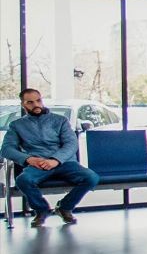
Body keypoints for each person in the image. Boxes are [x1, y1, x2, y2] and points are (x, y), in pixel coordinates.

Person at [0, 89, 101, 227]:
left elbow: (71, 144)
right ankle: (41, 210)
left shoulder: (60, 121)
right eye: (30, 102)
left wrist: (55, 160)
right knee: (23, 180)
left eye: (38, 100)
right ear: (23, 105)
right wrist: (29, 159)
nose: (36, 105)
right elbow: (6, 149)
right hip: (38, 164)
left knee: (91, 177)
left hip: (64, 163)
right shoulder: (17, 125)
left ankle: (64, 207)